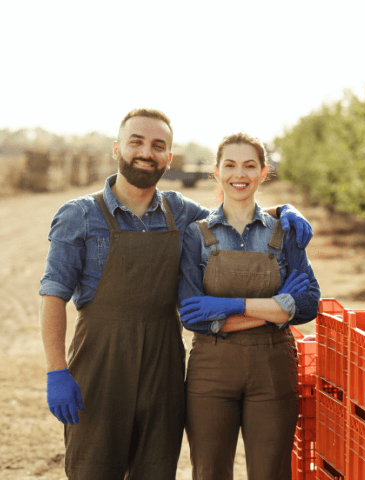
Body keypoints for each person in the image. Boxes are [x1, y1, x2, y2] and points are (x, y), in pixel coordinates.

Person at [38, 109, 314, 480]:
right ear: (117, 148)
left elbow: (237, 213)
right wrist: (57, 370)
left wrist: (284, 210)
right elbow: (53, 294)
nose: (146, 152)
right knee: (93, 470)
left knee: (156, 470)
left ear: (169, 158)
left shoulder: (178, 211)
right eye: (136, 142)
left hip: (163, 368)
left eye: (158, 145)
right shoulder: (79, 215)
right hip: (100, 366)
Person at [178, 132, 320, 480]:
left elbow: (308, 303)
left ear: (262, 172)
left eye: (249, 165)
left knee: (271, 473)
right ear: (216, 171)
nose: (238, 174)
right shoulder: (195, 235)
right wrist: (276, 309)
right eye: (230, 165)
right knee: (209, 472)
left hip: (273, 369)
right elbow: (194, 317)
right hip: (211, 370)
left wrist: (227, 306)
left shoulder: (284, 232)